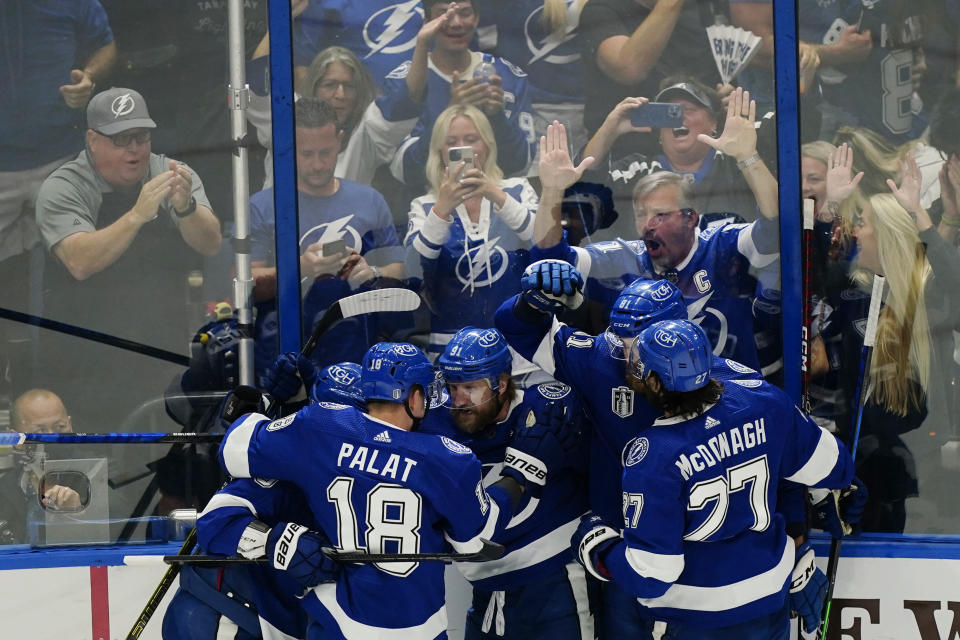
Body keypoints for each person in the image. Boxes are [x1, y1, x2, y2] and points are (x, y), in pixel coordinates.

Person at [494, 265, 808, 637]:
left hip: (704, 570)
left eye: (638, 343)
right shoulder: (601, 359)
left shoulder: (730, 379)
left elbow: (778, 454)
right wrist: (532, 304)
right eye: (623, 341)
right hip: (630, 559)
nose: (630, 356)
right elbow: (514, 328)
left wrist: (799, 532)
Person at [217, 341, 576, 638]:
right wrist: (521, 474)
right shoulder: (447, 459)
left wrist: (274, 408)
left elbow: (232, 449)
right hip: (420, 626)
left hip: (337, 621)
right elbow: (477, 540)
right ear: (415, 397)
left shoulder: (319, 425)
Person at [570, 319, 867, 638]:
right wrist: (838, 489)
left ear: (657, 383)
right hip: (768, 601)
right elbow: (832, 464)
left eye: (641, 367)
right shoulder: (764, 402)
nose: (633, 372)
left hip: (695, 616)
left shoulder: (655, 455)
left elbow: (652, 574)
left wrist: (599, 547)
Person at [530, 89, 780, 370]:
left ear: (690, 218)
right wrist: (552, 191)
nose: (648, 223)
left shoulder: (723, 246)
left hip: (729, 396)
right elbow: (550, 262)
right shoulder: (623, 258)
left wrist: (748, 156)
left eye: (661, 214)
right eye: (642, 214)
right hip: (650, 398)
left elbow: (775, 225)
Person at [34, 87, 222, 430]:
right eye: (122, 139)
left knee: (169, 468)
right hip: (83, 355)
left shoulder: (172, 172)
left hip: (159, 350)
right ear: (93, 140)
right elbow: (79, 261)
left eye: (141, 136)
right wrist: (137, 215)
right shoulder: (65, 186)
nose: (135, 149)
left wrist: (187, 208)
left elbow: (210, 243)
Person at [818, 152, 960, 533]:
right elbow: (810, 271)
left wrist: (922, 217)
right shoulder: (851, 291)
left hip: (921, 457)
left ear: (885, 234)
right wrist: (830, 208)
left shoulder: (927, 294)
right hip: (859, 451)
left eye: (862, 224)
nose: (856, 231)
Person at [422, 327, 593, 639]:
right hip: (487, 591)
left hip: (552, 585)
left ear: (501, 383)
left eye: (471, 387)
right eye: (453, 386)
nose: (459, 400)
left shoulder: (547, 413)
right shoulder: (436, 423)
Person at [0, 0, 116, 395]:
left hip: (58, 156)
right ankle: (12, 382)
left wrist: (89, 79)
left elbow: (106, 45)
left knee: (77, 271)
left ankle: (69, 388)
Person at [249, 98, 405, 374]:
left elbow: (399, 270)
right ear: (289, 147)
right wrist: (303, 268)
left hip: (357, 354)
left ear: (340, 142)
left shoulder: (369, 201)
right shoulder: (263, 207)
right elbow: (246, 286)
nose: (318, 164)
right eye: (306, 154)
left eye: (326, 152)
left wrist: (371, 273)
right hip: (286, 358)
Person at [405, 104, 538, 361]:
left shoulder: (518, 190)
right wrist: (442, 208)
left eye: (471, 139)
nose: (461, 149)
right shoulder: (424, 205)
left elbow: (543, 242)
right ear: (440, 152)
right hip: (450, 346)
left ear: (487, 145)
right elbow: (412, 270)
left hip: (516, 342)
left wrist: (494, 193)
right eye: (451, 142)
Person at [578, 80, 768, 240]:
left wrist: (747, 156)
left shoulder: (736, 165)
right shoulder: (636, 170)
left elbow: (776, 216)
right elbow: (583, 188)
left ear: (713, 123)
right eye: (670, 112)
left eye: (689, 109)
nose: (679, 118)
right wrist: (610, 130)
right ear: (660, 131)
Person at [382, 0, 538, 190]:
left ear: (476, 18)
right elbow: (405, 171)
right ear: (427, 21)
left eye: (464, 12)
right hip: (427, 206)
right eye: (444, 14)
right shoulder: (405, 83)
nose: (456, 23)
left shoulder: (509, 77)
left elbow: (520, 165)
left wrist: (496, 118)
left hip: (494, 203)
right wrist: (449, 115)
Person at [477, 0, 591, 170]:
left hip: (587, 116)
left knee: (585, 189)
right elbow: (469, 27)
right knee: (534, 190)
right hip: (529, 112)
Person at [577, 0, 720, 136]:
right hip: (630, 147)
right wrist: (670, 4)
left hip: (694, 143)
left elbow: (709, 76)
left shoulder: (698, 9)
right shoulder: (601, 9)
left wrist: (719, 97)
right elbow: (629, 68)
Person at [0, 390, 83, 544]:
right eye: (40, 431)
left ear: (70, 425)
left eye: (60, 427)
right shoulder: (5, 490)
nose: (52, 437)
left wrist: (79, 513)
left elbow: (122, 533)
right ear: (17, 440)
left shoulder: (99, 473)